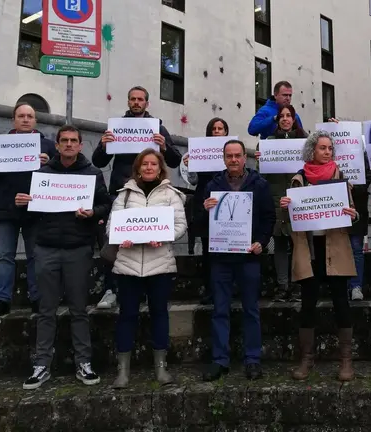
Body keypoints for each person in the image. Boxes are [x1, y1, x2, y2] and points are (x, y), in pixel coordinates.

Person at [15, 125, 111, 390]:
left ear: (81, 145)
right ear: (57, 145)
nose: (69, 145)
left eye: (74, 141)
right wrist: (25, 202)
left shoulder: (92, 173)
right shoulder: (42, 174)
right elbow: (30, 214)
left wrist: (92, 212)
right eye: (64, 141)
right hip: (46, 248)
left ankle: (84, 362)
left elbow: (106, 203)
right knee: (46, 310)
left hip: (78, 248)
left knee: (79, 309)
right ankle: (42, 364)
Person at [93, 86, 182, 310]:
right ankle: (111, 290)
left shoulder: (157, 127)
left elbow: (174, 161)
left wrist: (164, 146)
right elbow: (98, 162)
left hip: (152, 196)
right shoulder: (117, 127)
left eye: (140, 99)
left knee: (148, 246)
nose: (136, 102)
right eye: (132, 99)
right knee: (117, 245)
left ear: (146, 103)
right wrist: (104, 146)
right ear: (128, 101)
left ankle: (143, 292)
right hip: (122, 193)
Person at [280, 131, 359, 382]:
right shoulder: (298, 179)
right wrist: (285, 209)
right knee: (308, 304)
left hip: (334, 246)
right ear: (312, 151)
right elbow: (286, 225)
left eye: (330, 148)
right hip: (309, 248)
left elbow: (355, 214)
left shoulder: (341, 177)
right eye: (322, 148)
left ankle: (346, 360)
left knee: (341, 302)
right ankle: (307, 359)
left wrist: (352, 213)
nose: (327, 152)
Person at [110, 149, 187, 388]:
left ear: (160, 168)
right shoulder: (123, 195)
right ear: (138, 167)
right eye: (145, 164)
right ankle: (123, 371)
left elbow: (180, 224)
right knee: (127, 316)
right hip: (128, 265)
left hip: (160, 264)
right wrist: (119, 237)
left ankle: (161, 369)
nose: (149, 168)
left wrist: (164, 237)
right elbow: (112, 224)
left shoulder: (170, 194)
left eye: (153, 164)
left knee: (159, 315)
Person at [201, 140, 276, 381]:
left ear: (246, 158)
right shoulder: (212, 185)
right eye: (229, 156)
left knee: (251, 310)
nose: (233, 160)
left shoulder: (260, 185)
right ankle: (219, 360)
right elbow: (200, 225)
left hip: (248, 258)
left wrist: (261, 243)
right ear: (223, 158)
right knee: (219, 310)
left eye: (237, 156)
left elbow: (269, 218)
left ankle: (252, 359)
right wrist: (204, 209)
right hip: (221, 258)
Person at [0, 102, 58, 317]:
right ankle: (2, 301)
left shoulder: (47, 146)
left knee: (35, 256)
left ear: (35, 120)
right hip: (6, 207)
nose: (25, 119)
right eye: (21, 116)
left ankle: (36, 300)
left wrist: (49, 163)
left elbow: (58, 176)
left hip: (35, 208)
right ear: (14, 119)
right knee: (5, 256)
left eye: (29, 116)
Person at [255, 104, 308, 301]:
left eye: (289, 116)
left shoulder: (306, 142)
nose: (285, 119)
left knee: (298, 245)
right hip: (276, 198)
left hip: (300, 198)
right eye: (282, 116)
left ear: (294, 119)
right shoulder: (267, 142)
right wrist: (261, 160)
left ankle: (296, 285)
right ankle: (282, 285)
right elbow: (263, 174)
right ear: (277, 120)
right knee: (279, 244)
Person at [184, 117, 230, 305]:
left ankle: (224, 289)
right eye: (214, 128)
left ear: (226, 132)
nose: (217, 131)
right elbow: (193, 181)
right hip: (204, 202)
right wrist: (189, 167)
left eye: (221, 128)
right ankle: (210, 290)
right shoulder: (201, 151)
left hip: (227, 202)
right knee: (207, 249)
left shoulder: (231, 152)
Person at [325, 117, 371, 302]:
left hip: (356, 206)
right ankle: (341, 287)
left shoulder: (362, 157)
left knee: (356, 248)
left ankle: (356, 286)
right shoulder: (326, 156)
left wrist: (352, 187)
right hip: (335, 207)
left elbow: (367, 180)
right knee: (337, 249)